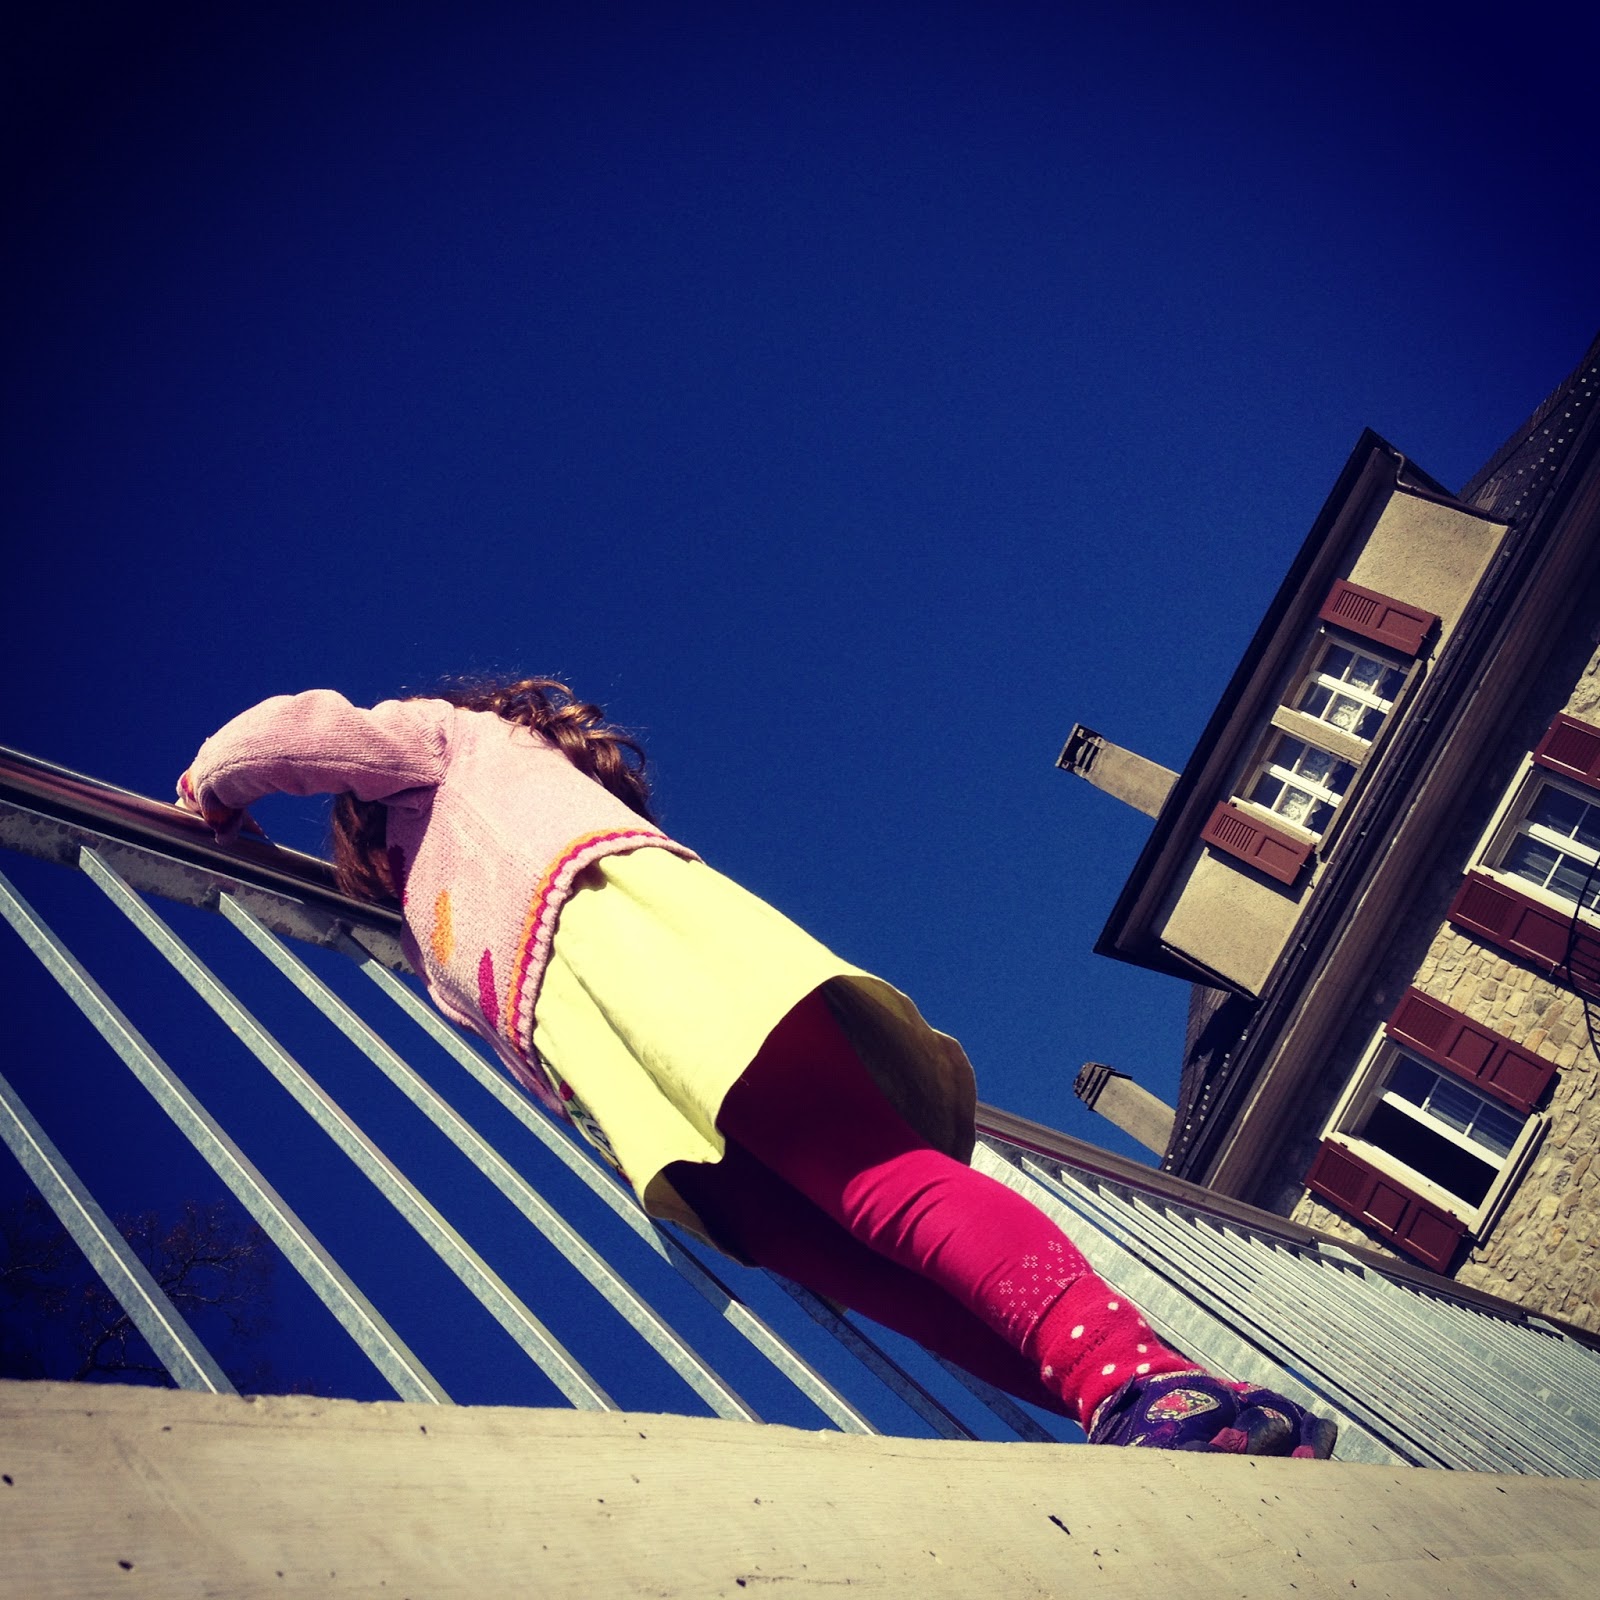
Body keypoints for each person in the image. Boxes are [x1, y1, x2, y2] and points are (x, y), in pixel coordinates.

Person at [178, 678, 1337, 1455]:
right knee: (885, 1280)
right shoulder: (432, 911)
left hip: (640, 955)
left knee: (877, 1185)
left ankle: (1134, 1378)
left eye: (368, 846)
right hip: (618, 1074)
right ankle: (1169, 1401)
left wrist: (211, 791)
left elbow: (296, 736)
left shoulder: (448, 743)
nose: (380, 862)